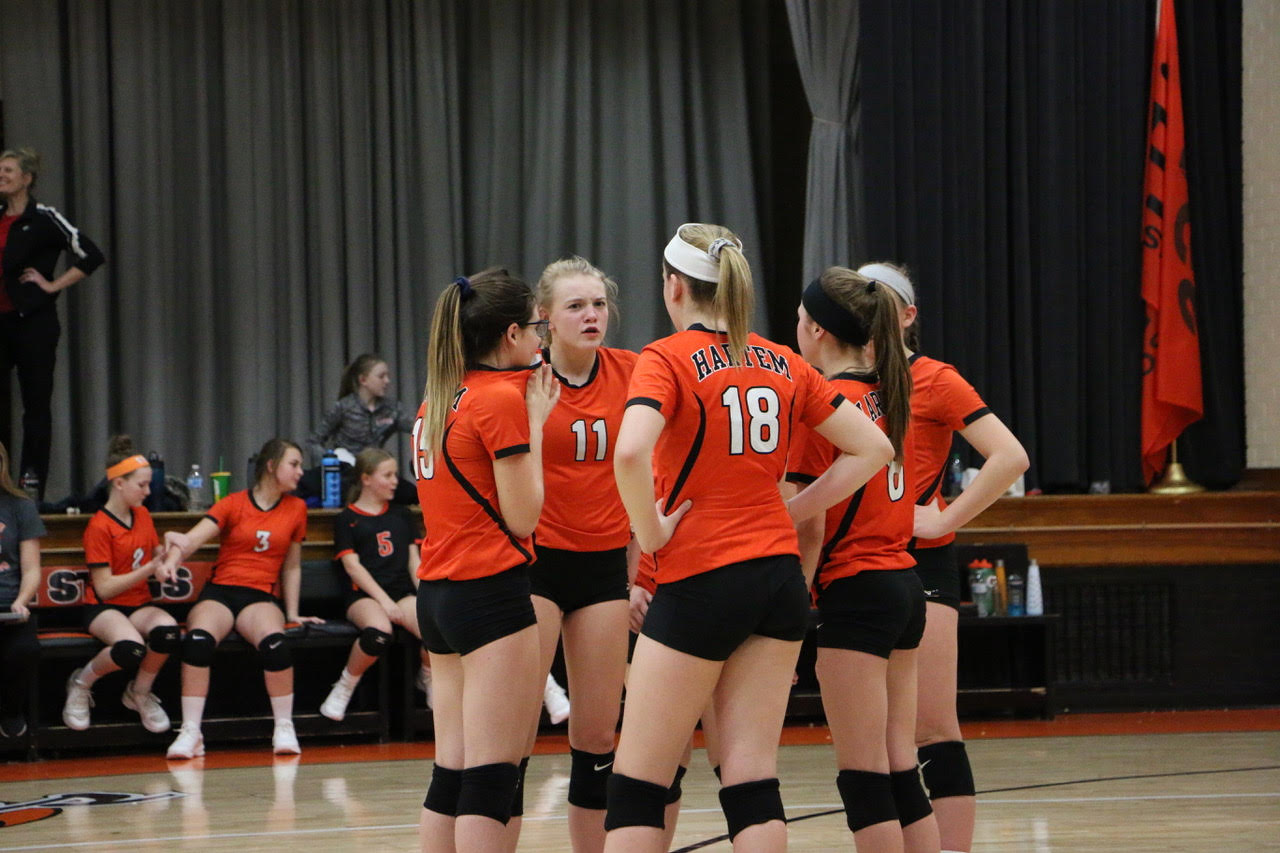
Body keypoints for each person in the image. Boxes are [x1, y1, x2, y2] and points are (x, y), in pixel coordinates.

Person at [605, 223, 894, 853]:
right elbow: (874, 447)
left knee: (638, 784)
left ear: (673, 287)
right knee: (751, 780)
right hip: (778, 579)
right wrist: (791, 511)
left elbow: (629, 452)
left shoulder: (666, 358)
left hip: (701, 576)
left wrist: (651, 533)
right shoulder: (785, 361)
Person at [857, 262, 1028, 853]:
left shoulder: (934, 379)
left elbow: (1009, 456)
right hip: (854, 566)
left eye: (882, 301)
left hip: (920, 563)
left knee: (930, 725)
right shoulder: (836, 380)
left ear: (908, 315)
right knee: (875, 738)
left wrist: (943, 518)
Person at [789, 268, 941, 851]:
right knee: (900, 766)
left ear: (818, 331)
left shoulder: (829, 408)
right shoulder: (889, 397)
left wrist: (791, 612)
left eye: (800, 320)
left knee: (864, 776)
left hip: (855, 589)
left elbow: (810, 526)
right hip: (903, 585)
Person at [413, 269, 559, 852]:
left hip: (438, 596)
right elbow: (524, 517)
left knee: (452, 770)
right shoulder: (500, 400)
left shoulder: (439, 397)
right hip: (489, 592)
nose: (542, 339)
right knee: (492, 773)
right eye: (538, 326)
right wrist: (538, 424)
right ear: (512, 334)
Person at [525, 256, 638, 852]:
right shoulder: (524, 378)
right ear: (544, 317)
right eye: (576, 306)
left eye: (598, 304)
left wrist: (641, 569)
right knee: (514, 736)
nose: (591, 315)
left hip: (604, 567)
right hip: (535, 565)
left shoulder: (634, 372)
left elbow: (655, 472)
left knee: (597, 737)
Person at [158, 438, 323, 759]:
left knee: (275, 644)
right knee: (198, 641)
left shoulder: (297, 508)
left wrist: (292, 612)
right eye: (294, 464)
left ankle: (284, 726)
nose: (301, 472)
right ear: (271, 466)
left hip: (259, 595)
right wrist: (171, 560)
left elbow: (291, 566)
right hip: (221, 591)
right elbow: (190, 540)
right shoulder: (233, 503)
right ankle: (191, 731)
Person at [0, 148, 105, 499]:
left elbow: (91, 254)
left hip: (33, 323)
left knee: (35, 406)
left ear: (26, 178)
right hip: (0, 323)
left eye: (8, 170)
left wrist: (52, 285)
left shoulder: (44, 217)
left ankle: (31, 487)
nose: (1, 176)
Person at [62, 436, 179, 733]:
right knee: (130, 649)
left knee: (168, 632)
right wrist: (148, 569)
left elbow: (156, 556)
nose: (148, 491)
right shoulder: (99, 526)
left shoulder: (143, 515)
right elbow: (105, 588)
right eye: (142, 485)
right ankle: (81, 682)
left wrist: (167, 564)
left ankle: (139, 692)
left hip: (138, 603)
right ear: (118, 484)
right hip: (104, 607)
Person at [319, 448, 428, 721]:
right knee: (379, 632)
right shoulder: (347, 518)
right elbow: (352, 567)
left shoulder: (402, 515)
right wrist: (385, 602)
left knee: (435, 626)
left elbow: (414, 562)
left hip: (402, 592)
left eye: (395, 475)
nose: (394, 482)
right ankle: (345, 685)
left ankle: (427, 676)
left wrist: (427, 597)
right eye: (387, 475)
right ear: (366, 479)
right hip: (363, 596)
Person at [304, 353, 417, 505]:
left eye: (387, 376)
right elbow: (313, 441)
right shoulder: (343, 407)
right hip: (347, 475)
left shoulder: (391, 409)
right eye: (381, 376)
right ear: (363, 380)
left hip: (375, 472)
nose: (387, 381)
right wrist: (332, 462)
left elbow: (417, 428)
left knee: (411, 494)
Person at [0, 440, 43, 739]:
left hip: (10, 605)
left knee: (24, 649)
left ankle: (11, 710)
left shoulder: (20, 506)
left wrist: (21, 601)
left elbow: (31, 570)